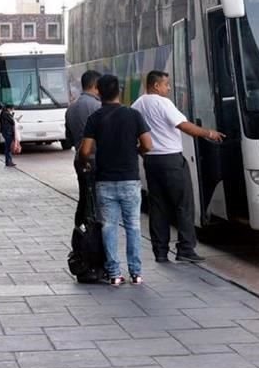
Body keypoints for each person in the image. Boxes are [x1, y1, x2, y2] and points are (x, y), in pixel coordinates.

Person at [132, 70, 224, 263]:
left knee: (158, 206)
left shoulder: (138, 104)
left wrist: (142, 150)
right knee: (183, 205)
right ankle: (186, 248)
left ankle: (160, 251)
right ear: (156, 85)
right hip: (171, 161)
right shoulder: (163, 103)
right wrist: (209, 133)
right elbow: (183, 125)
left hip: (151, 161)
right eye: (167, 84)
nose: (169, 88)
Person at [79, 74, 153, 286]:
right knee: (133, 226)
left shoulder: (95, 118)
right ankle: (136, 273)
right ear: (119, 91)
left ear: (99, 92)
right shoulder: (133, 115)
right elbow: (148, 145)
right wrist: (135, 150)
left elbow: (85, 150)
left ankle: (114, 274)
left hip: (105, 181)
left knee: (109, 227)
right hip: (130, 179)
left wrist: (86, 161)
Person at [65, 70, 101, 226]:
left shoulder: (70, 109)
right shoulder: (98, 107)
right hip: (95, 159)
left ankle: (80, 233)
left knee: (84, 197)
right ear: (94, 85)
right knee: (95, 202)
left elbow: (68, 138)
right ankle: (92, 237)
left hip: (79, 159)